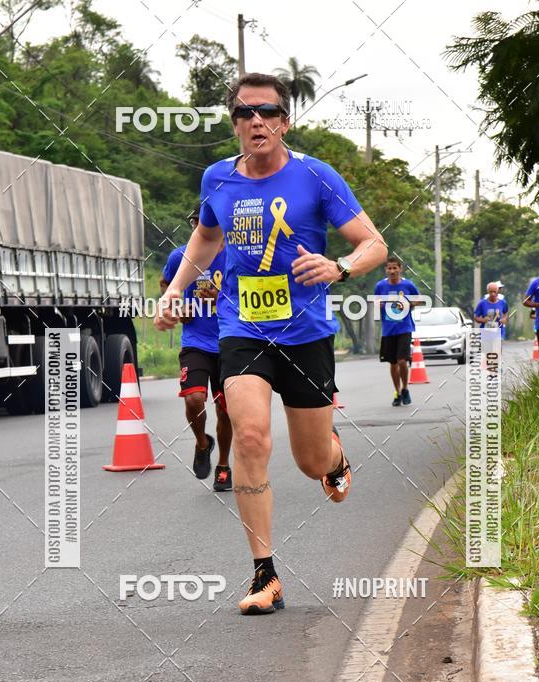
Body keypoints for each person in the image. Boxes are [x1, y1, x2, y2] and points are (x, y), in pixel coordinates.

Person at [155, 72, 387, 614]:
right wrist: (175, 291)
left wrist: (339, 265)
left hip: (305, 334)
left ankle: (334, 457)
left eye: (266, 112)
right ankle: (265, 575)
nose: (255, 121)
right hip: (242, 330)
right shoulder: (217, 178)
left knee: (310, 462)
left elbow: (373, 243)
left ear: (283, 122)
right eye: (244, 113)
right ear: (234, 123)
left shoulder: (316, 176)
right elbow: (207, 237)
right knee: (252, 439)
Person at [159, 212, 233, 491]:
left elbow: (248, 294)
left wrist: (220, 297)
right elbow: (166, 285)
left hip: (231, 341)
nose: (202, 227)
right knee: (193, 399)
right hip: (196, 341)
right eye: (197, 223)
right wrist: (177, 308)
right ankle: (203, 443)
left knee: (226, 411)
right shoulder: (180, 257)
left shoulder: (237, 258)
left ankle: (224, 466)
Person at [375, 256, 419, 406]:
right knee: (393, 363)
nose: (392, 271)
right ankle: (398, 392)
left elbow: (419, 299)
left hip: (404, 327)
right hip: (388, 329)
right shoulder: (380, 286)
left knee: (402, 361)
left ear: (400, 269)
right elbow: (376, 301)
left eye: (395, 268)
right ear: (386, 270)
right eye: (389, 268)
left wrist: (407, 302)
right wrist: (379, 304)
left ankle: (405, 388)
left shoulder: (408, 285)